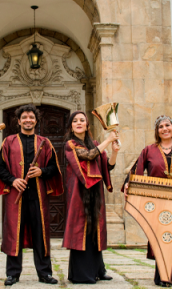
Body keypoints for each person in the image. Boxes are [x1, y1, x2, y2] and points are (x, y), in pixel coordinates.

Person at [0, 104, 64, 286]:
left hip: (38, 197)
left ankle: (45, 273)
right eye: (24, 117)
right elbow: (0, 167)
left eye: (31, 117)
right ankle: (13, 274)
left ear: (36, 121)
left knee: (41, 234)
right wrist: (13, 180)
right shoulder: (9, 142)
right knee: (14, 234)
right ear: (19, 120)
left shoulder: (45, 143)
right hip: (17, 195)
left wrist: (41, 172)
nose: (28, 120)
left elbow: (54, 167)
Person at [124, 115, 172, 287]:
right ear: (157, 131)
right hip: (157, 200)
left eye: (167, 125)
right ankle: (164, 275)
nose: (165, 129)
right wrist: (129, 183)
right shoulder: (148, 150)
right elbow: (136, 170)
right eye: (161, 127)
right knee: (162, 236)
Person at [62, 111, 118, 284]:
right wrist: (107, 141)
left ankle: (99, 269)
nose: (79, 123)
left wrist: (114, 151)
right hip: (79, 191)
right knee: (81, 229)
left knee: (95, 230)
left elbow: (107, 166)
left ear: (87, 125)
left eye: (82, 120)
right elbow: (88, 156)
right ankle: (82, 274)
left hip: (95, 192)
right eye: (75, 121)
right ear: (71, 126)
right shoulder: (69, 144)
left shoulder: (94, 144)